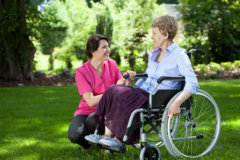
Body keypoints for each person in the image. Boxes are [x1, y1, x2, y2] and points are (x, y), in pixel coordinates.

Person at [85, 15, 199, 149]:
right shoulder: (154, 54)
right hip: (142, 91)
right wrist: (134, 76)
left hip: (157, 96)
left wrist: (177, 102)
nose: (152, 37)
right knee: (114, 89)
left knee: (116, 91)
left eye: (154, 33)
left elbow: (192, 83)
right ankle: (107, 136)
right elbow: (149, 76)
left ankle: (115, 139)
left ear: (166, 34)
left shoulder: (179, 55)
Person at [68, 34, 128, 149]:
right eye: (104, 47)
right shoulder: (81, 71)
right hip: (86, 111)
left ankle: (106, 140)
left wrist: (126, 79)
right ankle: (90, 143)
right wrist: (112, 89)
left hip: (107, 111)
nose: (108, 50)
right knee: (74, 135)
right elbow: (90, 101)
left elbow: (121, 91)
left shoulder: (112, 64)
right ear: (93, 51)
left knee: (93, 120)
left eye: (108, 46)